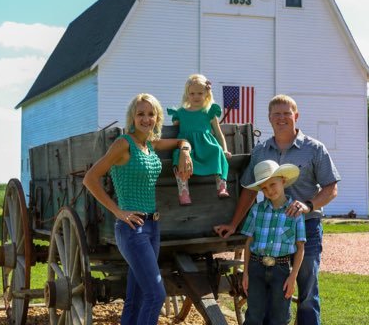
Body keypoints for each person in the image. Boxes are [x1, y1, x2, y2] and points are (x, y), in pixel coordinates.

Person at [214, 94, 340, 325]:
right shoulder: (261, 151)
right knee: (273, 290)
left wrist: (309, 205)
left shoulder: (314, 149)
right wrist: (234, 224)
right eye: (276, 114)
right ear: (270, 118)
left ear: (296, 116)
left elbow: (331, 188)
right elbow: (250, 190)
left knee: (306, 293)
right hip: (270, 231)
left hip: (306, 226)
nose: (281, 118)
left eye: (286, 113)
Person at [83, 93, 193, 325]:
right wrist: (118, 211)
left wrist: (184, 151)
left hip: (153, 227)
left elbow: (181, 141)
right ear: (132, 117)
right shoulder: (123, 144)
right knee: (156, 295)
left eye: (151, 114)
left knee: (137, 297)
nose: (146, 118)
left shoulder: (150, 145)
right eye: (140, 114)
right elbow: (90, 178)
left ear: (157, 117)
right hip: (132, 229)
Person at [241, 159, 306, 325]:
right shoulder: (256, 210)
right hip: (256, 267)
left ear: (283, 180)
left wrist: (293, 276)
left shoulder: (296, 212)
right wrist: (246, 272)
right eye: (264, 188)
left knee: (280, 316)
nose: (269, 191)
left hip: (282, 270)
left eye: (273, 184)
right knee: (254, 314)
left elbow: (300, 248)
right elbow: (249, 242)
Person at [167, 74, 232, 205]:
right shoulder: (180, 113)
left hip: (206, 146)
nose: (196, 96)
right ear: (187, 94)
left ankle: (221, 186)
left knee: (216, 150)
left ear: (206, 94)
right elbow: (173, 130)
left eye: (200, 93)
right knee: (179, 156)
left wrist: (224, 149)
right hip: (188, 147)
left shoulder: (209, 112)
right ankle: (183, 191)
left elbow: (219, 134)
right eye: (192, 93)